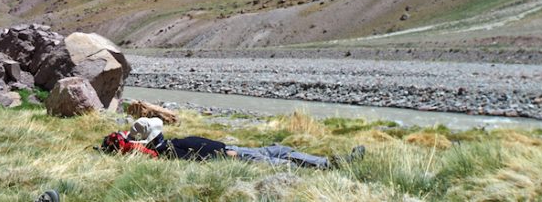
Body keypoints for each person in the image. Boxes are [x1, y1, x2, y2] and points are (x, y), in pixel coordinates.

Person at [111, 117, 364, 169]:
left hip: (230, 150)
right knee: (276, 161)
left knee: (278, 149)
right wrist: (225, 155)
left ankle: (326, 161)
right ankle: (330, 166)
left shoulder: (166, 146)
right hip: (230, 156)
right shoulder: (167, 151)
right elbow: (194, 158)